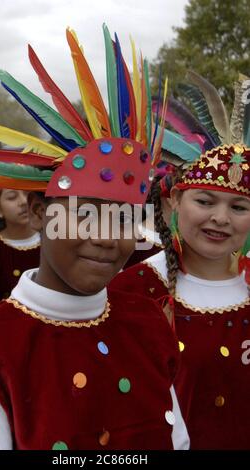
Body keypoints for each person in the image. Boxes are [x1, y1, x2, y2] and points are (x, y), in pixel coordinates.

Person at [0, 26, 189, 450]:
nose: (106, 239)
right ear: (41, 213)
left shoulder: (149, 322)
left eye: (123, 220)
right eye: (84, 215)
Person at [110, 71, 250, 449]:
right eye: (205, 201)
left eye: (239, 206)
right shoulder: (131, 292)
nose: (221, 218)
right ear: (172, 201)